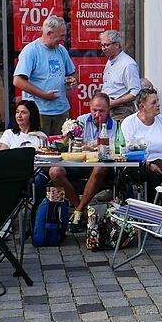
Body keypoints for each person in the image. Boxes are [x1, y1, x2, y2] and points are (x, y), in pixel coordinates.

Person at [49, 93, 119, 232]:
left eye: (101, 111)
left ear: (109, 109)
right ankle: (81, 210)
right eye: (94, 110)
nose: (97, 114)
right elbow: (70, 144)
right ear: (90, 107)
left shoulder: (115, 126)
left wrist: (92, 147)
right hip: (79, 163)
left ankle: (79, 212)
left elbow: (112, 149)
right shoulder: (81, 121)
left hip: (100, 167)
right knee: (54, 171)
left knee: (100, 168)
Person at [13, 15, 78, 135]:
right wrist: (43, 95)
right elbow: (18, 81)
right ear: (49, 33)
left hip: (61, 110)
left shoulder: (61, 50)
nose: (63, 39)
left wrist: (73, 80)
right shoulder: (31, 50)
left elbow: (73, 73)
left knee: (61, 144)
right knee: (39, 144)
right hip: (38, 111)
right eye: (61, 36)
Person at [120, 87, 162, 202]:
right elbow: (130, 151)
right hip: (140, 165)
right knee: (152, 180)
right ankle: (153, 210)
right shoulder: (129, 122)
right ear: (142, 107)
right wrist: (150, 165)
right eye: (154, 102)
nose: (158, 105)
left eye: (158, 101)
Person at [99, 29, 141, 120]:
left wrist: (114, 102)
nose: (103, 48)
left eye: (106, 45)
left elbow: (136, 91)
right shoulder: (110, 61)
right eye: (102, 45)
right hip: (108, 109)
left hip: (122, 111)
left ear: (117, 45)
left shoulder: (128, 64)